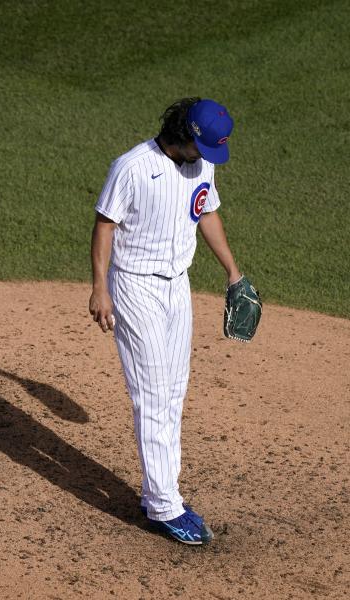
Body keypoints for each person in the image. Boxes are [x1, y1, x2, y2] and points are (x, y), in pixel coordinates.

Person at [89, 97, 245, 545]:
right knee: (153, 392)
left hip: (178, 287)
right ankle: (163, 506)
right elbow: (104, 225)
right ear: (185, 135)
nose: (208, 158)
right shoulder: (133, 167)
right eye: (205, 148)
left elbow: (207, 212)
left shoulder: (201, 165)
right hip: (135, 287)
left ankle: (159, 489)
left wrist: (232, 270)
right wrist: (100, 287)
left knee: (174, 389)